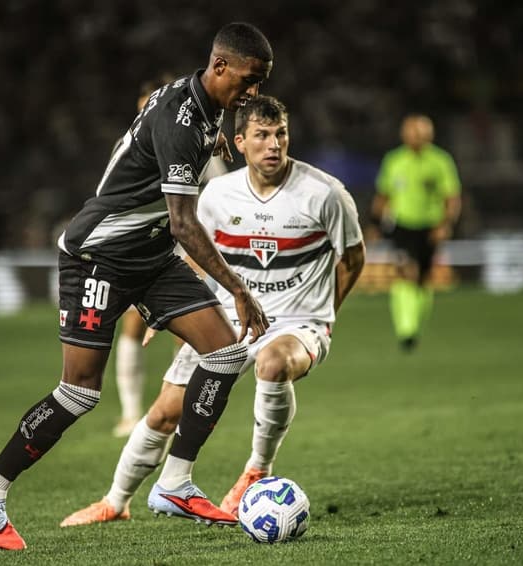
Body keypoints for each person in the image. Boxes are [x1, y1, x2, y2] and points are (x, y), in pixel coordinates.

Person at [0, 22, 273, 550]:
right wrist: (236, 287)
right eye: (249, 79)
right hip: (97, 258)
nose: (254, 92)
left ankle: (174, 483)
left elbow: (156, 111)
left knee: (225, 352)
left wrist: (206, 135)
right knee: (79, 392)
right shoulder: (182, 119)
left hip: (148, 257)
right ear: (220, 67)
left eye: (261, 82)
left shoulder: (200, 101)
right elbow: (183, 222)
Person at [59, 95, 365, 527]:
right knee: (166, 410)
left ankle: (256, 470)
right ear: (240, 142)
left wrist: (324, 315)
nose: (273, 145)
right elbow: (192, 256)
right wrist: (162, 310)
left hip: (298, 323)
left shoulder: (326, 194)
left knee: (274, 363)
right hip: (230, 318)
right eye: (261, 136)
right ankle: (115, 501)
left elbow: (352, 258)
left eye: (280, 134)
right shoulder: (218, 194)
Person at [113, 75, 228, 438]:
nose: (148, 113)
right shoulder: (131, 142)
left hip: (187, 239)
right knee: (130, 326)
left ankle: (181, 413)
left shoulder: (194, 138)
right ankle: (131, 413)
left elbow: (217, 196)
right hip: (147, 241)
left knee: (188, 332)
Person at [371, 114, 461, 351]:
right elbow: (383, 194)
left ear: (429, 134)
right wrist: (375, 223)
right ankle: (406, 330)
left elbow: (451, 197)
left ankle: (415, 326)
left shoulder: (440, 161)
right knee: (405, 273)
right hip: (402, 226)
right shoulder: (394, 160)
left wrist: (445, 224)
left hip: (430, 228)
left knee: (423, 279)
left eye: (420, 132)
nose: (416, 136)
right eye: (412, 132)